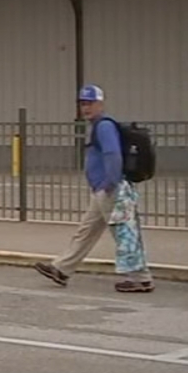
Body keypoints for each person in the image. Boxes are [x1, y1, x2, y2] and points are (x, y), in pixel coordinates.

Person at [34, 85, 153, 293]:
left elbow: (112, 154)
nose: (86, 108)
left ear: (100, 104)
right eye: (83, 103)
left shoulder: (104, 126)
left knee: (124, 233)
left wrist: (110, 183)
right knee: (86, 231)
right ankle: (61, 269)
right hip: (101, 190)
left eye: (90, 103)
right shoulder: (98, 125)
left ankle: (141, 278)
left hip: (109, 190)